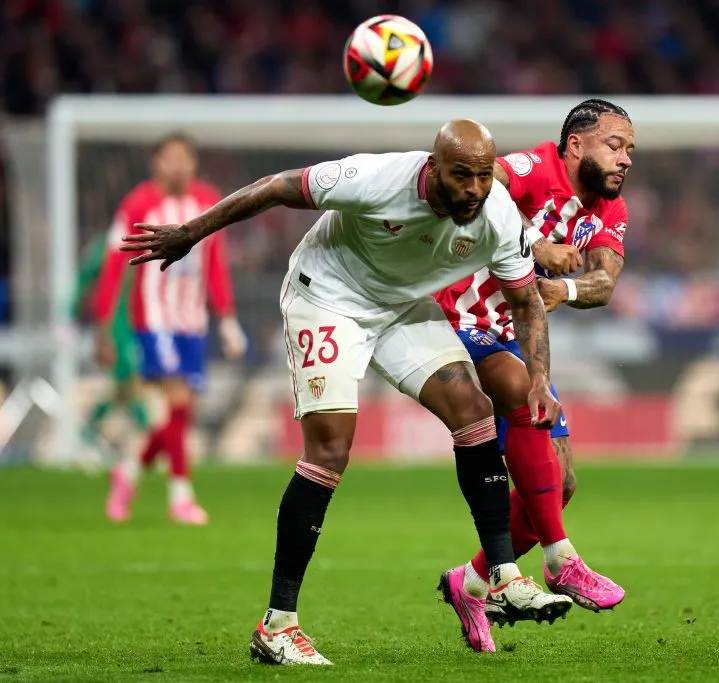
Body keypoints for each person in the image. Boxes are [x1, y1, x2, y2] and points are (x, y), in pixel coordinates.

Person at [120, 119, 573, 664]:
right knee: (331, 449)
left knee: (473, 410)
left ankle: (501, 577)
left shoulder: (496, 213)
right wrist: (192, 232)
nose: (474, 189)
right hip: (328, 298)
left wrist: (540, 378)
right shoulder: (377, 177)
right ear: (433, 168)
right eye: (461, 176)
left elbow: (526, 304)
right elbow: (277, 187)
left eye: (482, 175)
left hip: (402, 308)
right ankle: (277, 625)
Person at [435, 99, 633, 650]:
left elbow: (604, 283)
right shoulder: (533, 168)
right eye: (614, 146)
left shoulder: (610, 211)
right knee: (525, 402)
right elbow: (483, 186)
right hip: (457, 317)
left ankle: (470, 582)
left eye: (630, 151)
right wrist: (535, 243)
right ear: (576, 145)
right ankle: (559, 560)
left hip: (511, 335)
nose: (625, 160)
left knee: (560, 484)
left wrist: (560, 289)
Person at [95, 133, 247, 526]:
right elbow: (114, 264)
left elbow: (215, 266)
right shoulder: (139, 204)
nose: (178, 166)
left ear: (194, 164)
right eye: (171, 158)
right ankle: (181, 496)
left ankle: (128, 470)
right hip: (153, 320)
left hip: (192, 323)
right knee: (175, 399)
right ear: (156, 163)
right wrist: (104, 326)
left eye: (185, 159)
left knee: (180, 415)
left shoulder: (208, 201)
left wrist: (227, 320)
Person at [71, 230, 151, 463]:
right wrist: (69, 313)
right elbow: (83, 279)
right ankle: (150, 435)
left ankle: (88, 430)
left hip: (136, 321)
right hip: (116, 323)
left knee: (124, 387)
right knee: (128, 376)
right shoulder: (106, 247)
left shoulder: (144, 244)